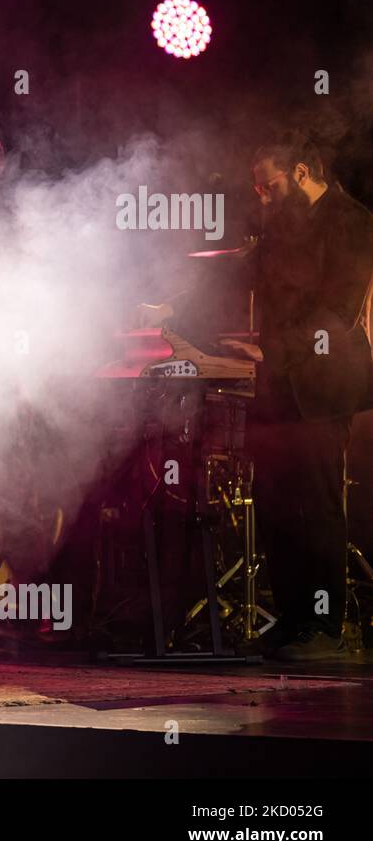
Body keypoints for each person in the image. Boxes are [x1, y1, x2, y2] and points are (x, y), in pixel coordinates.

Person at [139, 131, 373, 660]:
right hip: (279, 386)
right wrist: (172, 310)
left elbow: (338, 311)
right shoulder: (283, 231)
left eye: (268, 187)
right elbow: (234, 271)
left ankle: (325, 626)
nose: (261, 197)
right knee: (276, 506)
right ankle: (294, 621)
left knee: (315, 505)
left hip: (321, 388)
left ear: (302, 174)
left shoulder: (353, 224)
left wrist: (276, 351)